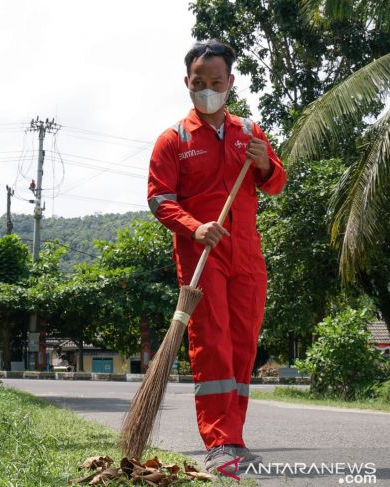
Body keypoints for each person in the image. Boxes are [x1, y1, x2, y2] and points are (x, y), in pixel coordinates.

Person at [147, 39, 286, 476]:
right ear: (186, 83)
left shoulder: (250, 131)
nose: (207, 88)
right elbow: (159, 201)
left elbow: (276, 184)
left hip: (247, 255)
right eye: (198, 82)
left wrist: (266, 163)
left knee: (243, 349)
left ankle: (235, 438)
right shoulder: (174, 140)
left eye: (216, 82)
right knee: (214, 348)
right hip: (202, 255)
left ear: (231, 83)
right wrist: (195, 227)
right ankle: (219, 442)